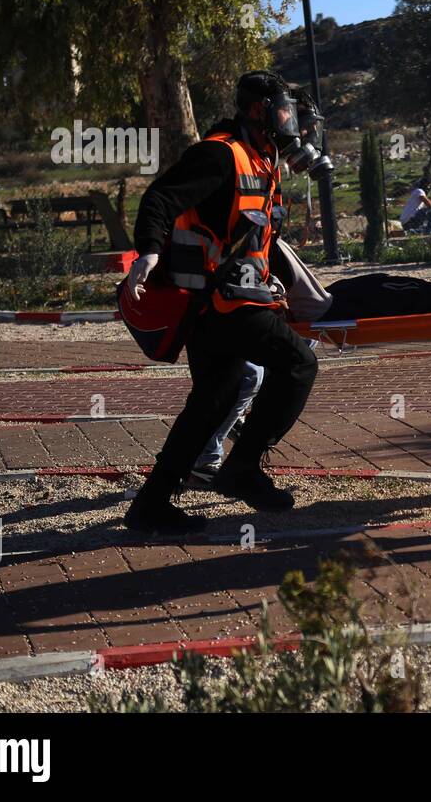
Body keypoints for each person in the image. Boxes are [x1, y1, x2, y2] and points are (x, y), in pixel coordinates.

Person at [122, 70, 319, 533]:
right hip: (224, 302)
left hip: (228, 301)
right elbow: (159, 200)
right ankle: (242, 468)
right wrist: (148, 252)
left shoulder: (261, 159)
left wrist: (281, 283)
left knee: (214, 399)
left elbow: (254, 236)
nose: (291, 119)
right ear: (258, 110)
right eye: (284, 109)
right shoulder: (220, 154)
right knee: (298, 365)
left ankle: (151, 505)